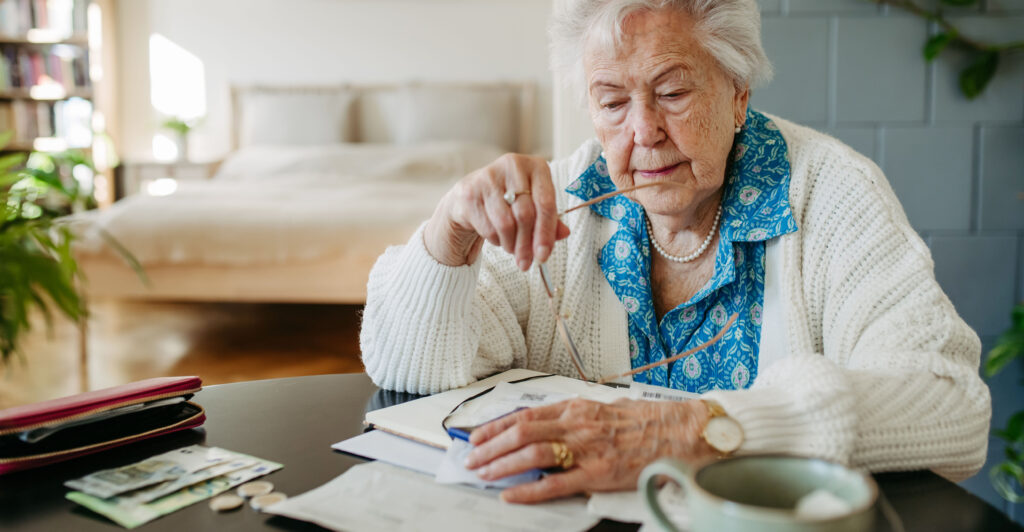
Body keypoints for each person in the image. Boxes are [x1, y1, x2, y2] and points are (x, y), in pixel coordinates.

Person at [359, 0, 991, 504]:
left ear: (738, 92)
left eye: (672, 92)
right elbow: (413, 371)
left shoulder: (831, 195)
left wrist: (703, 429)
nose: (643, 131)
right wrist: (449, 234)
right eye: (612, 102)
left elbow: (951, 407)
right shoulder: (565, 207)